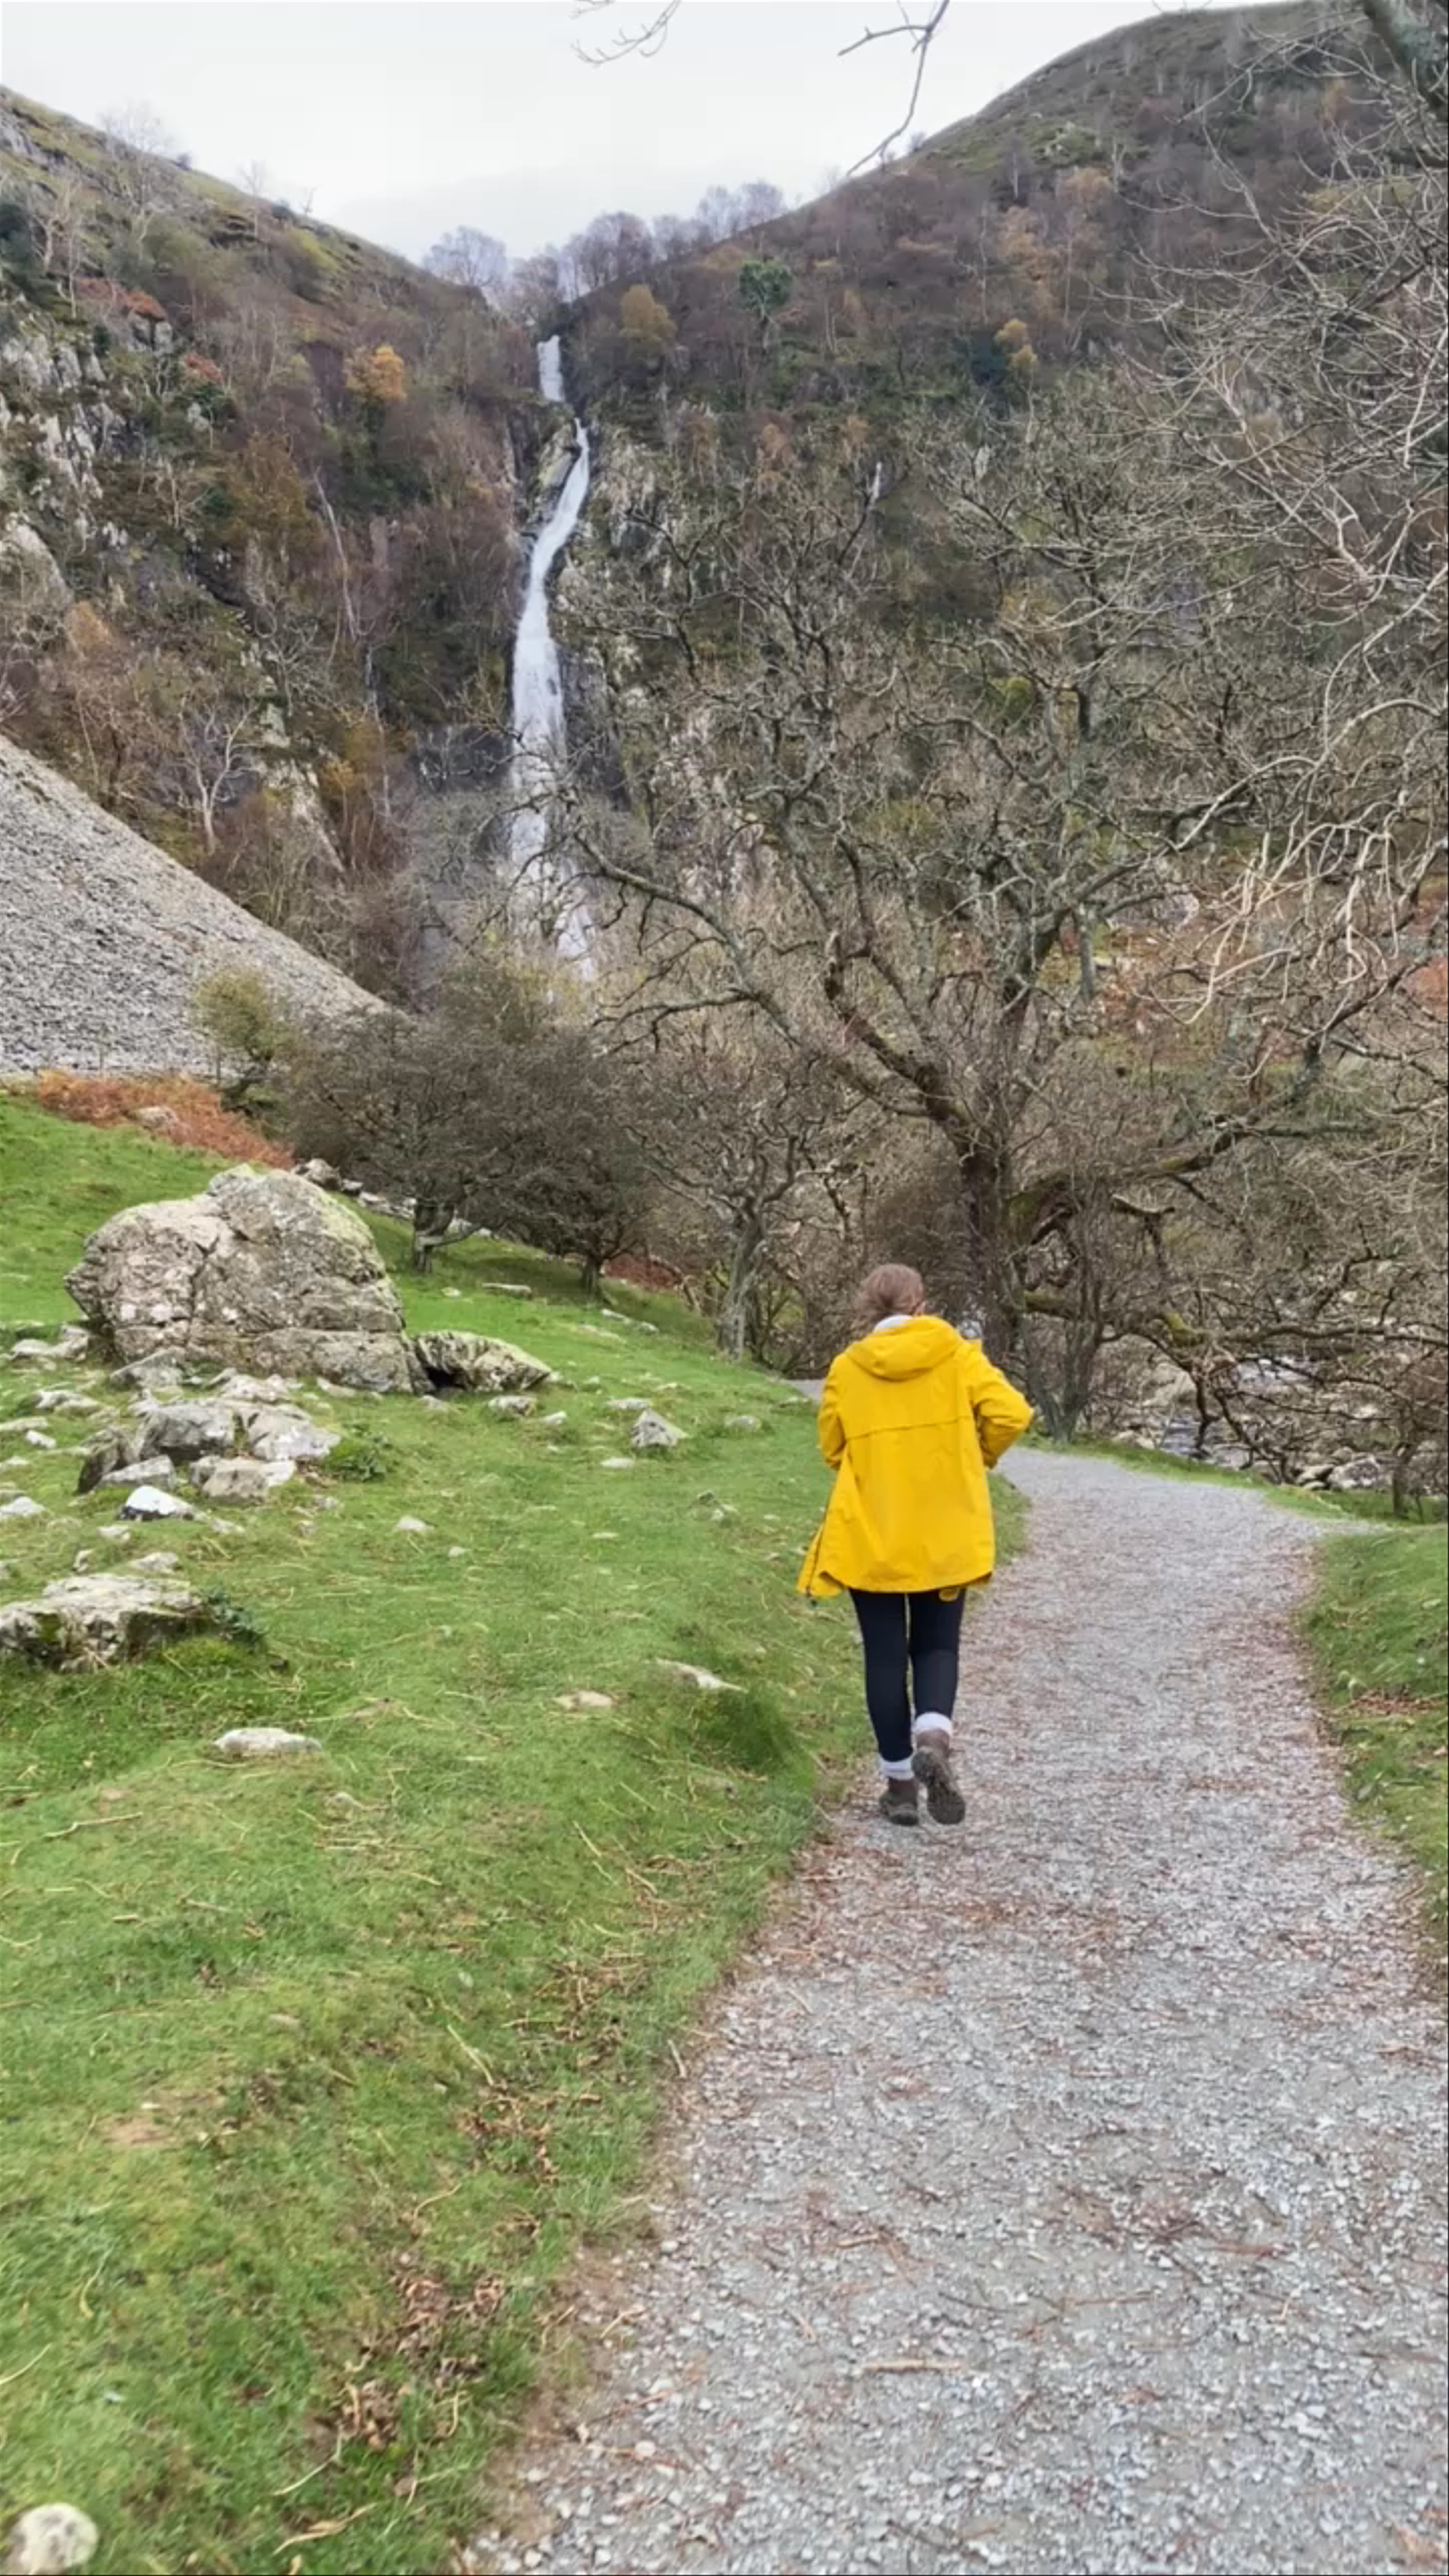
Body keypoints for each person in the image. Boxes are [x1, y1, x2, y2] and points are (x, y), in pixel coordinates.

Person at [798, 1263, 1033, 1827]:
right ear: (921, 1304)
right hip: (945, 1530)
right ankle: (933, 1735)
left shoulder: (848, 1369)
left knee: (883, 1655)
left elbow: (832, 1447)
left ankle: (901, 1788)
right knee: (937, 1646)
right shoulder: (957, 1355)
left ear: (868, 1311)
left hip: (871, 1534)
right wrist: (975, 1455)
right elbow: (1012, 1414)